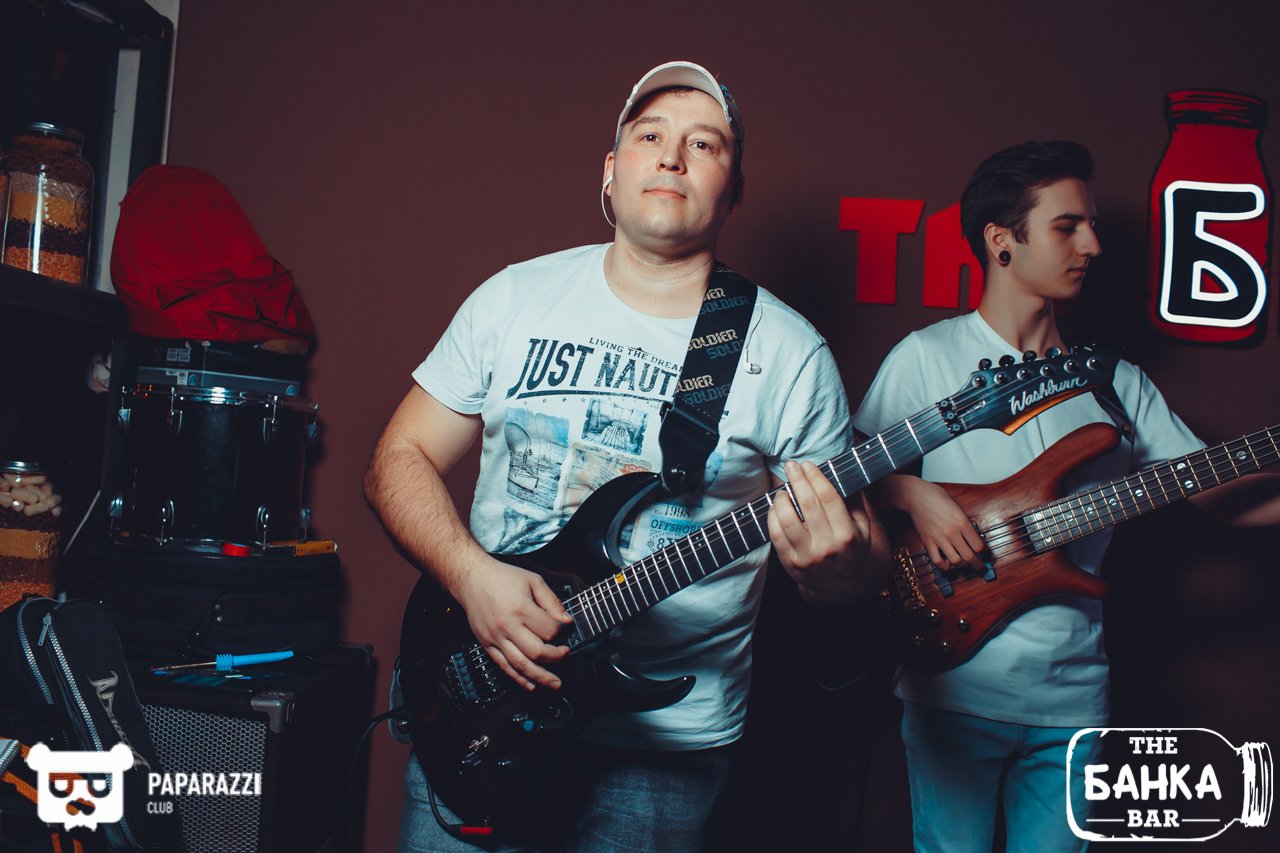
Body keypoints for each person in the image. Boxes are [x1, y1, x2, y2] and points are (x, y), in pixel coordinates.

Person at [365, 61, 889, 852]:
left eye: (703, 144)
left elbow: (856, 567)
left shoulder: (788, 352)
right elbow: (396, 458)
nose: (672, 156)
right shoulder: (514, 298)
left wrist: (839, 569)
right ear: (611, 172)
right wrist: (471, 578)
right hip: (485, 702)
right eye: (650, 135)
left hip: (664, 747)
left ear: (733, 191)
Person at [853, 140, 1280, 852]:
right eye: (1067, 226)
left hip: (1073, 698)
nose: (1093, 245)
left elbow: (1221, 492)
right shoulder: (926, 358)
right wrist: (913, 492)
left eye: (1091, 226)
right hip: (953, 683)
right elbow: (844, 482)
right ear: (1002, 241)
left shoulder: (1115, 383)